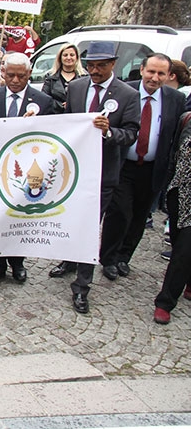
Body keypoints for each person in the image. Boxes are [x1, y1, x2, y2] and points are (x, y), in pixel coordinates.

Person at [48, 41, 140, 314]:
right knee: (71, 219)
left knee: (89, 227)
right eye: (91, 65)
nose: (95, 70)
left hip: (103, 174)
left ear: (113, 64)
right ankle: (69, 260)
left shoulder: (127, 94)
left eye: (101, 65)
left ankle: (82, 286)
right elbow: (67, 125)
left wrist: (109, 132)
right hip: (74, 171)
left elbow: (131, 134)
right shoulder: (76, 88)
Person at [98, 54, 185, 281]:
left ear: (169, 76)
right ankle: (108, 258)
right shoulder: (125, 92)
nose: (154, 78)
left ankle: (123, 257)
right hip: (122, 164)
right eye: (151, 72)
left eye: (161, 74)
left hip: (153, 168)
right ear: (142, 70)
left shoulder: (175, 99)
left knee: (140, 215)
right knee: (120, 212)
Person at [0, 52, 54, 285]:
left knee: (20, 218)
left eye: (21, 76)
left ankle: (18, 264)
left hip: (28, 169)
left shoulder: (43, 101)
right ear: (3, 73)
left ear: (29, 74)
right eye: (11, 75)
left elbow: (52, 134)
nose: (16, 80)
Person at [154, 109, 191, 324]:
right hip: (181, 193)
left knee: (184, 251)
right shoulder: (185, 118)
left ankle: (165, 302)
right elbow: (173, 155)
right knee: (179, 243)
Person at [42, 43, 87, 114]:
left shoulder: (84, 76)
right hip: (56, 117)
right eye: (65, 55)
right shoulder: (50, 77)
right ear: (60, 57)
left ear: (77, 57)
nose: (68, 58)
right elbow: (44, 99)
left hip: (77, 118)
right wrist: (61, 106)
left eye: (72, 55)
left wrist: (72, 105)